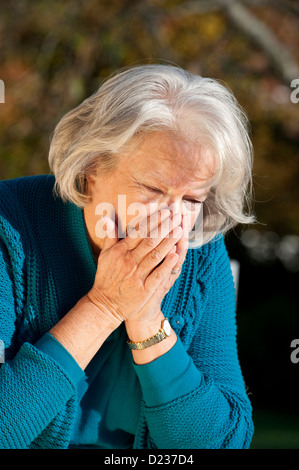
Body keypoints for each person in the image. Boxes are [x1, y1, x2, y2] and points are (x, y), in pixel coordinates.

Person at [0, 64, 255, 449]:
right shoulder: (9, 225)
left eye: (191, 200)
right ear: (92, 166)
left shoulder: (201, 249)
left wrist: (146, 317)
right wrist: (104, 306)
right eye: (153, 189)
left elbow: (223, 441)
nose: (172, 221)